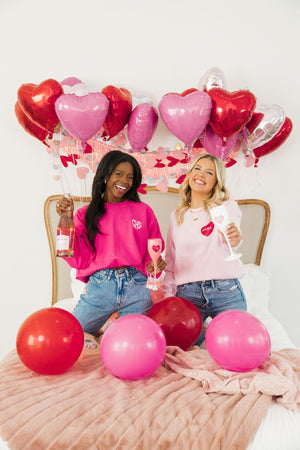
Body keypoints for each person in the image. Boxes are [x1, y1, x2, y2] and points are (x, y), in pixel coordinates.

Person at [56, 150, 166, 336]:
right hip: (100, 287)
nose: (125, 181)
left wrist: (154, 265)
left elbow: (152, 251)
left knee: (132, 343)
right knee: (70, 335)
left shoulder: (143, 211)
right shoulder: (85, 214)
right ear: (105, 175)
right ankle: (103, 333)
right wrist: (65, 218)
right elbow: (80, 260)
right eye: (119, 174)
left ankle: (108, 334)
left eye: (130, 177)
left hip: (137, 288)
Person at [164, 154, 246, 346]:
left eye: (210, 172)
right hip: (187, 294)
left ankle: (216, 337)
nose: (201, 175)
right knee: (177, 345)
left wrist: (235, 238)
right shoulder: (176, 216)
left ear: (216, 182)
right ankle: (210, 337)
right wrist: (169, 297)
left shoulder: (226, 207)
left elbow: (232, 237)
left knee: (236, 344)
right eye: (197, 169)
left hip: (225, 289)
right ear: (190, 174)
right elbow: (170, 261)